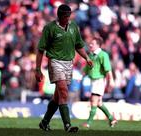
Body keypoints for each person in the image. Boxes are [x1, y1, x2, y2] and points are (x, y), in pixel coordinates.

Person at [35, 4, 92, 132]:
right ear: (59, 16)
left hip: (68, 63)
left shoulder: (73, 27)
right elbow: (40, 50)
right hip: (55, 61)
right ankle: (67, 126)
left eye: (69, 16)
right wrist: (37, 69)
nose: (68, 18)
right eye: (65, 16)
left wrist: (87, 58)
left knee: (57, 96)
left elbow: (78, 45)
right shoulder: (49, 28)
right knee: (64, 91)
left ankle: (44, 122)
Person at [82, 36, 118, 128]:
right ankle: (111, 119)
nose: (90, 45)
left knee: (93, 101)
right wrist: (81, 75)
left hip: (99, 81)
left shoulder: (103, 55)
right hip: (92, 81)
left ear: (98, 45)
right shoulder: (90, 55)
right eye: (90, 43)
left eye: (92, 44)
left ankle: (88, 123)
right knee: (98, 103)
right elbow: (87, 68)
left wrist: (111, 80)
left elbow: (108, 69)